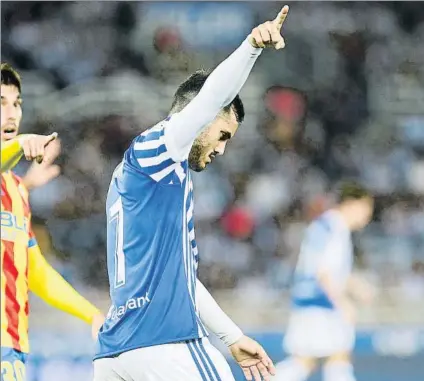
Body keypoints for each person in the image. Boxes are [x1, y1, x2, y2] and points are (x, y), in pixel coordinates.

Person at [93, 5, 291, 381]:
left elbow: (182, 278)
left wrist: (230, 336)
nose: (221, 149)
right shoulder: (160, 149)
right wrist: (251, 46)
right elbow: (213, 96)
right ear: (201, 116)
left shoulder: (141, 176)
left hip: (114, 353)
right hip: (166, 344)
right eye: (222, 135)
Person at [1, 62, 105, 381]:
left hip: (11, 345)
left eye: (16, 103)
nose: (12, 113)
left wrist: (91, 314)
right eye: (1, 103)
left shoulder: (16, 190)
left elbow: (35, 271)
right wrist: (21, 145)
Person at [274, 182, 376, 381]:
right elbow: (323, 272)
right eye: (366, 208)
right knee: (335, 357)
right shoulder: (332, 228)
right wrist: (342, 303)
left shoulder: (327, 226)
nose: (368, 216)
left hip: (310, 301)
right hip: (319, 303)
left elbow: (330, 269)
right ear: (352, 204)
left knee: (308, 361)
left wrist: (357, 286)